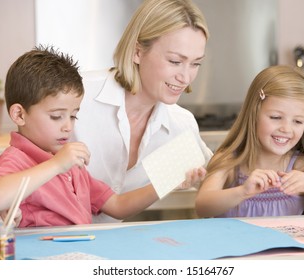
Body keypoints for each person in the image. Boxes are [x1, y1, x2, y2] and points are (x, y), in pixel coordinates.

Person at [0, 46, 168, 227]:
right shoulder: (17, 160)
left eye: (73, 116)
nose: (68, 126)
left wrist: (167, 181)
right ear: (19, 115)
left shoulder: (70, 165)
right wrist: (56, 165)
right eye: (56, 116)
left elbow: (118, 206)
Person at [73, 0, 213, 222]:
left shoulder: (180, 127)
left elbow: (219, 177)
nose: (185, 77)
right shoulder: (79, 97)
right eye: (175, 61)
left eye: (196, 64)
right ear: (138, 52)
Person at [195, 65, 304, 218]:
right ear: (254, 114)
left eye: (298, 121)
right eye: (276, 117)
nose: (286, 129)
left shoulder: (303, 166)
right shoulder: (230, 161)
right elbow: (202, 207)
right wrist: (242, 191)